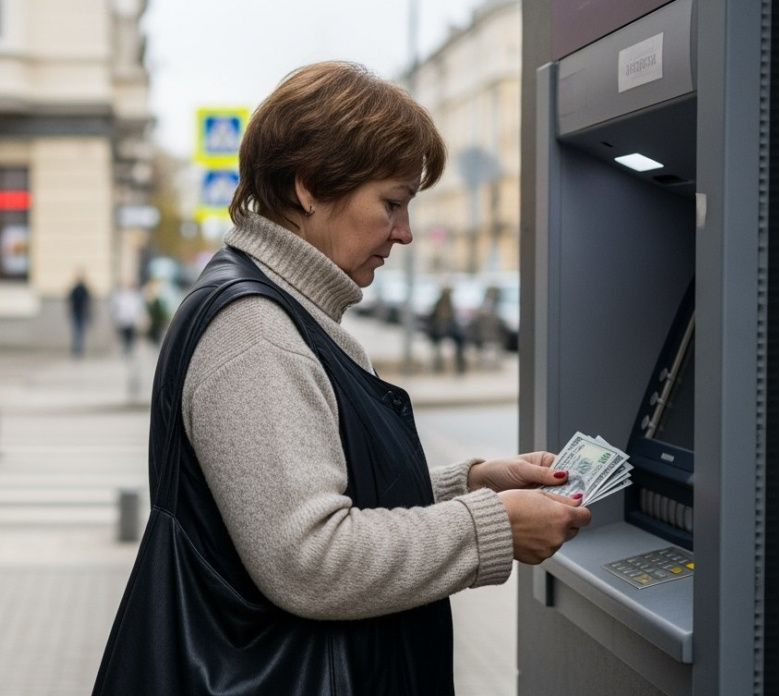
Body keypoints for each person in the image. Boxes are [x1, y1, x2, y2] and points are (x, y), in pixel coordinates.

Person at [94, 61, 591, 695]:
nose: (404, 233)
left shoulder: (287, 311)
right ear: (309, 187)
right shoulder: (256, 333)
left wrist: (466, 485)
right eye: (391, 203)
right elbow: (311, 559)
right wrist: (490, 525)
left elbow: (311, 489)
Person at [428, 284, 468, 374]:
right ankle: (442, 366)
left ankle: (460, 366)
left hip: (446, 330)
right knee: (459, 339)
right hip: (438, 331)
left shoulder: (449, 304)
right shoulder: (439, 304)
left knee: (461, 339)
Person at [110, 281, 144, 356]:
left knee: (131, 335)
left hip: (131, 319)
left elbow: (137, 307)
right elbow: (116, 307)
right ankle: (126, 348)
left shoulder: (134, 296)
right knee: (124, 335)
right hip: (123, 319)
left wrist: (138, 317)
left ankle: (129, 348)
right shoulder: (120, 296)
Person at [67, 270, 91, 358]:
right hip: (76, 312)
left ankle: (80, 350)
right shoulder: (75, 289)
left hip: (82, 313)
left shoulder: (84, 289)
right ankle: (76, 349)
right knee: (76, 332)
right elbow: (70, 300)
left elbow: (88, 301)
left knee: (80, 332)